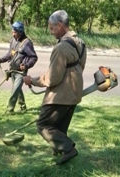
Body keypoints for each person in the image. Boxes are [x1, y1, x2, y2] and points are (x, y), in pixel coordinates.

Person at [23, 10, 87, 165]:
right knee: (59, 127)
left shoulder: (61, 48)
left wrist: (32, 80)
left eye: (52, 28)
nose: (51, 32)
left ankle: (68, 149)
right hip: (74, 93)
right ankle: (59, 151)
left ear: (60, 26)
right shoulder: (80, 42)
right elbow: (81, 67)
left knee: (43, 124)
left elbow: (52, 78)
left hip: (60, 95)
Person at [0, 21, 38, 113]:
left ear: (20, 32)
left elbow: (34, 57)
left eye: (14, 31)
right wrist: (0, 60)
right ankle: (23, 107)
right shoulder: (13, 40)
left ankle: (9, 110)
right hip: (12, 70)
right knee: (17, 89)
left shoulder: (27, 43)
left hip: (21, 72)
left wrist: (26, 65)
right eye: (12, 31)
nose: (12, 33)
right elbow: (10, 54)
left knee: (14, 90)